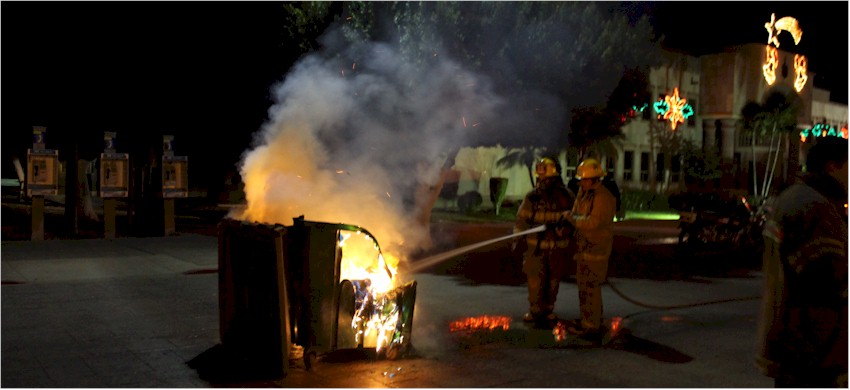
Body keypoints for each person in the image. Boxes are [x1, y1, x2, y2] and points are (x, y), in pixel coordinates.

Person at [755, 136, 848, 388]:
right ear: (833, 166)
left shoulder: (792, 197)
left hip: (786, 343)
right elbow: (830, 285)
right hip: (815, 352)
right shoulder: (818, 209)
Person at [560, 158, 617, 344]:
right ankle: (587, 321)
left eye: (584, 180)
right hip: (583, 248)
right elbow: (576, 214)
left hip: (596, 250)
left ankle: (593, 326)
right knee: (583, 287)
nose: (581, 183)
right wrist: (569, 224)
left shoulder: (603, 198)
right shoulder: (584, 194)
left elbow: (593, 223)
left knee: (591, 288)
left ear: (594, 179)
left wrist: (572, 219)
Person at [514, 157, 576, 325]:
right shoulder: (532, 197)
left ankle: (548, 309)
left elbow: (575, 220)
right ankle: (535, 310)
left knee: (553, 281)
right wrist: (516, 238)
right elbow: (521, 219)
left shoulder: (566, 197)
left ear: (554, 177)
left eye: (546, 178)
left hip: (557, 248)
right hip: (536, 248)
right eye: (540, 178)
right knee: (535, 279)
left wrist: (565, 230)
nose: (542, 181)